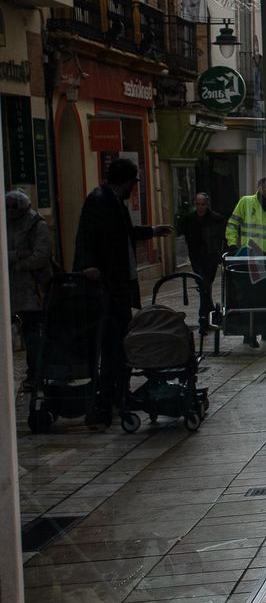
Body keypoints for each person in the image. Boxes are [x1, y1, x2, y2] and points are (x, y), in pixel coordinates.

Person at [72, 158, 173, 421]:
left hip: (117, 285)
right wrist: (88, 265)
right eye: (135, 181)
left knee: (120, 341)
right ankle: (108, 398)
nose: (135, 187)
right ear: (126, 181)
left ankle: (118, 392)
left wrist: (152, 231)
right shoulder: (99, 200)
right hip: (107, 287)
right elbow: (85, 235)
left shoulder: (114, 201)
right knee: (112, 342)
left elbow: (125, 232)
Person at [6, 190, 54, 376]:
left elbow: (41, 255)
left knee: (33, 331)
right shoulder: (7, 223)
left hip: (35, 289)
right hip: (14, 288)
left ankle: (37, 372)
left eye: (13, 208)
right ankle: (36, 371)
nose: (10, 212)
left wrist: (19, 265)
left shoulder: (36, 224)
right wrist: (17, 254)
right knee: (28, 332)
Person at [225, 178, 266, 347]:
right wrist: (231, 243)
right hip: (251, 256)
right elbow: (232, 224)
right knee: (252, 296)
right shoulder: (246, 202)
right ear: (259, 187)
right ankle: (249, 333)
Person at [177, 192, 227, 329]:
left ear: (207, 204)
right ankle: (204, 316)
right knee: (203, 284)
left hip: (211, 257)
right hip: (196, 257)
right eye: (198, 204)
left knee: (206, 285)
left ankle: (207, 315)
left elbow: (222, 238)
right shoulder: (189, 219)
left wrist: (220, 254)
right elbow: (186, 235)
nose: (200, 207)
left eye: (203, 204)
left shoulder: (217, 219)